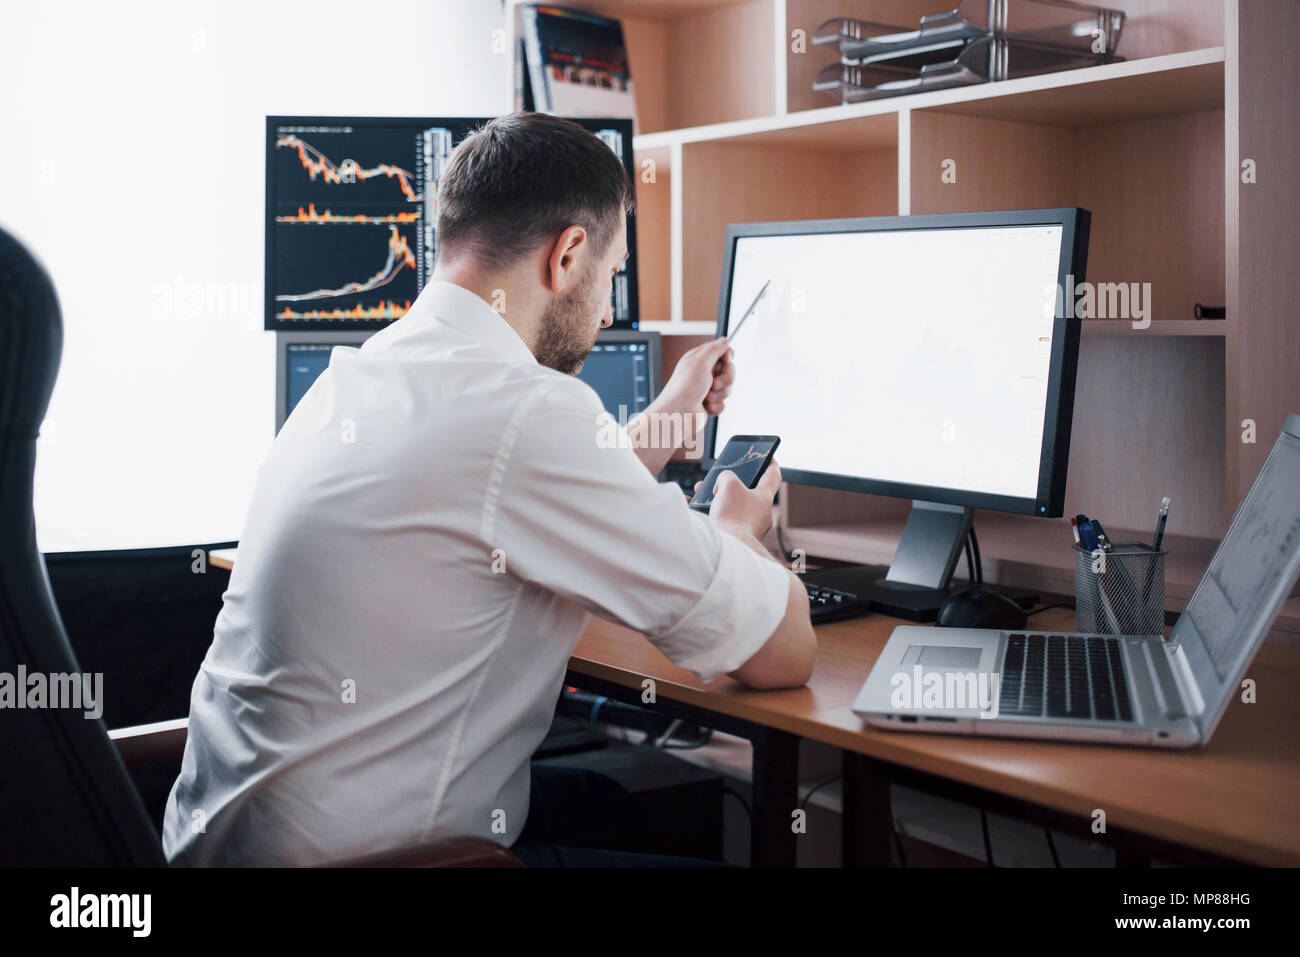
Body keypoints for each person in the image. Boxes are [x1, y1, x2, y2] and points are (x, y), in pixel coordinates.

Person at [163, 112, 816, 867]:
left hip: (215, 846)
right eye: (610, 273)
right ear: (568, 253)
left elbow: (512, 486)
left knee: (618, 804)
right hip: (390, 864)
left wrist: (669, 419)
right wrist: (736, 527)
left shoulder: (361, 375)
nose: (606, 311)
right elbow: (783, 651)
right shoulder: (525, 410)